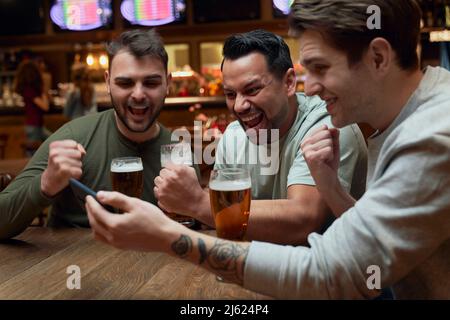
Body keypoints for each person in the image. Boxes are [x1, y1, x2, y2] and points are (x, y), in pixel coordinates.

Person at [85, 0, 450, 299]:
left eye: (320, 68)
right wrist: (335, 191)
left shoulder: (429, 137)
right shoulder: (406, 119)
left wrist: (168, 236)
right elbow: (373, 243)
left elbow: (330, 272)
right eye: (231, 94)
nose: (314, 87)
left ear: (378, 58)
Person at [153, 30, 368, 245]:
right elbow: (224, 222)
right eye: (230, 94)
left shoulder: (328, 124)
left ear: (289, 83)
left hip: (335, 271)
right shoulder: (233, 136)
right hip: (260, 268)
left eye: (252, 90)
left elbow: (304, 220)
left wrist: (198, 203)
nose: (239, 106)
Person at [0, 29, 181, 239]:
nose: (138, 94)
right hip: (72, 269)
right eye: (125, 83)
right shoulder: (74, 136)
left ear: (168, 83)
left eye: (151, 83)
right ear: (108, 82)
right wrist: (46, 183)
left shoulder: (179, 152)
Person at [14, 60, 51, 144]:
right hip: (34, 126)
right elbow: (45, 107)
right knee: (33, 154)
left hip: (36, 126)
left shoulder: (29, 89)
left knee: (52, 142)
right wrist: (43, 89)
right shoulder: (29, 90)